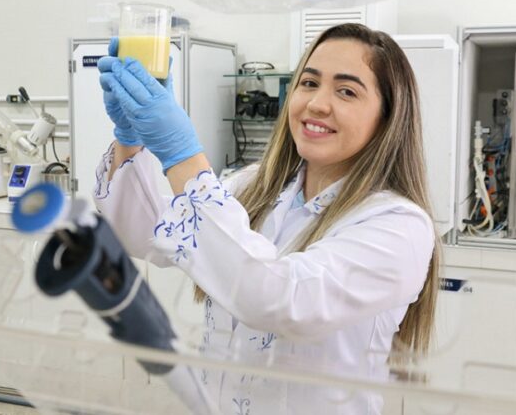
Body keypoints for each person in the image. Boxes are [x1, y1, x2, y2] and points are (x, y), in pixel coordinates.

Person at [95, 23, 440, 414]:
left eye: (346, 91)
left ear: (388, 118)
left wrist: (182, 156)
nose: (317, 104)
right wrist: (130, 136)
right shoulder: (256, 185)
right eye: (309, 83)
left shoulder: (398, 225)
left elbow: (278, 301)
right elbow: (142, 233)